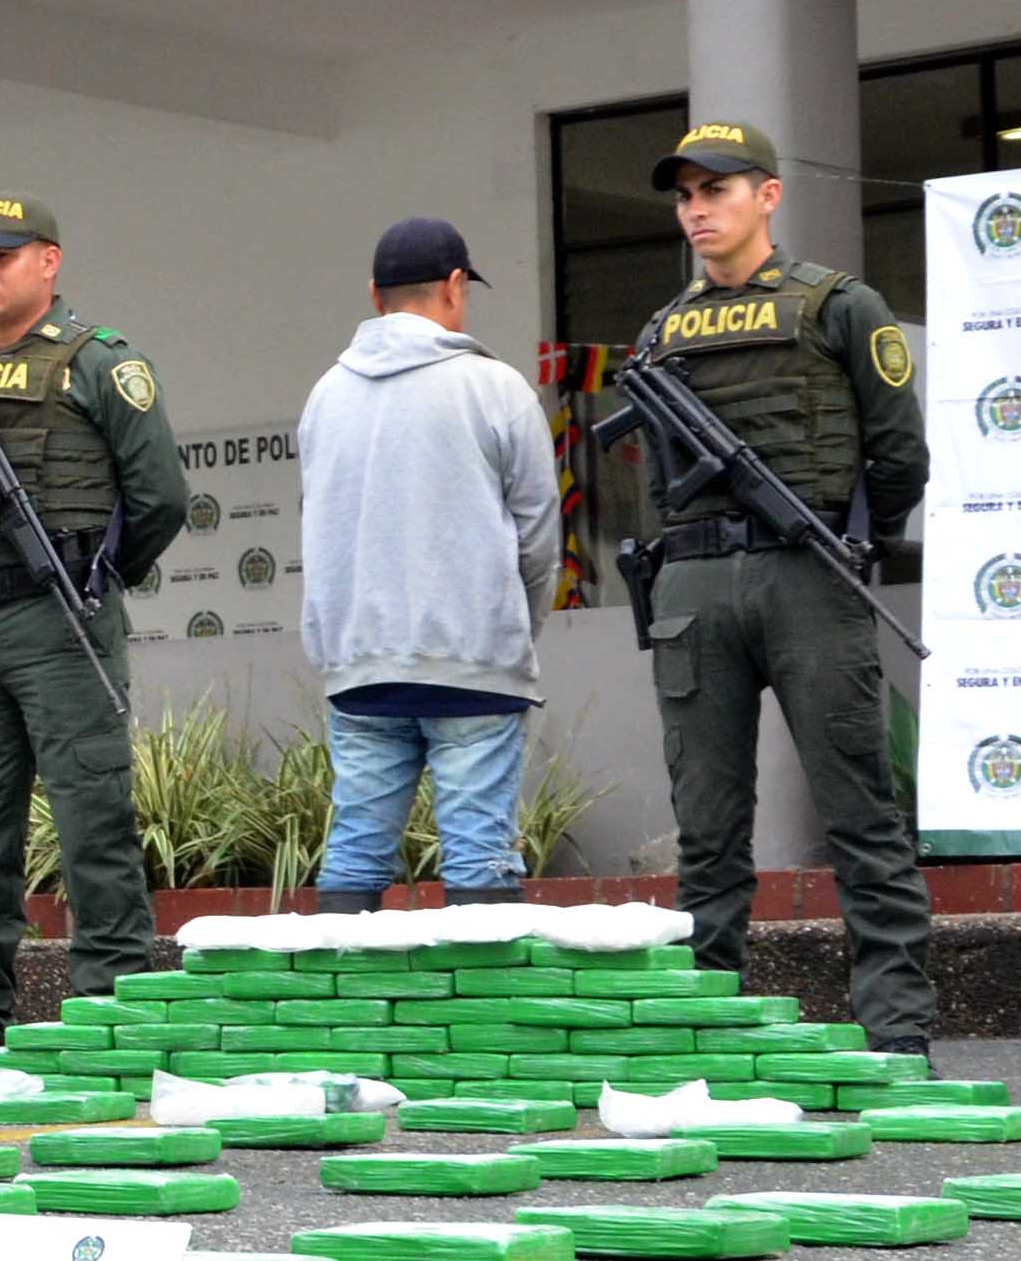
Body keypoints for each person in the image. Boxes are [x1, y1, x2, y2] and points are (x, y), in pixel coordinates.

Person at [620, 117, 938, 1055]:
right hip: (698, 581)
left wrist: (856, 539)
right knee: (706, 829)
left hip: (808, 572)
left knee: (859, 812)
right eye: (684, 195)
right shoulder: (663, 329)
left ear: (768, 195)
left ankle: (896, 1031)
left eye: (715, 189)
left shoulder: (842, 306)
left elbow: (899, 452)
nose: (695, 210)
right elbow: (652, 479)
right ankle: (707, 1035)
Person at [0, 197, 184, 1054]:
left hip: (61, 621)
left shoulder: (102, 363)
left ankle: (111, 1011)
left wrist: (99, 573)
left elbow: (161, 498)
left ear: (50, 261)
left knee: (92, 821)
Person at [295, 218, 561, 906]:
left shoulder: (325, 396)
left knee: (355, 852)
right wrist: (514, 633)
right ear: (452, 286)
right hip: (473, 663)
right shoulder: (496, 389)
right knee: (480, 859)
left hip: (359, 667)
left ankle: (338, 1007)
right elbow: (538, 535)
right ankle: (481, 1010)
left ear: (374, 296)